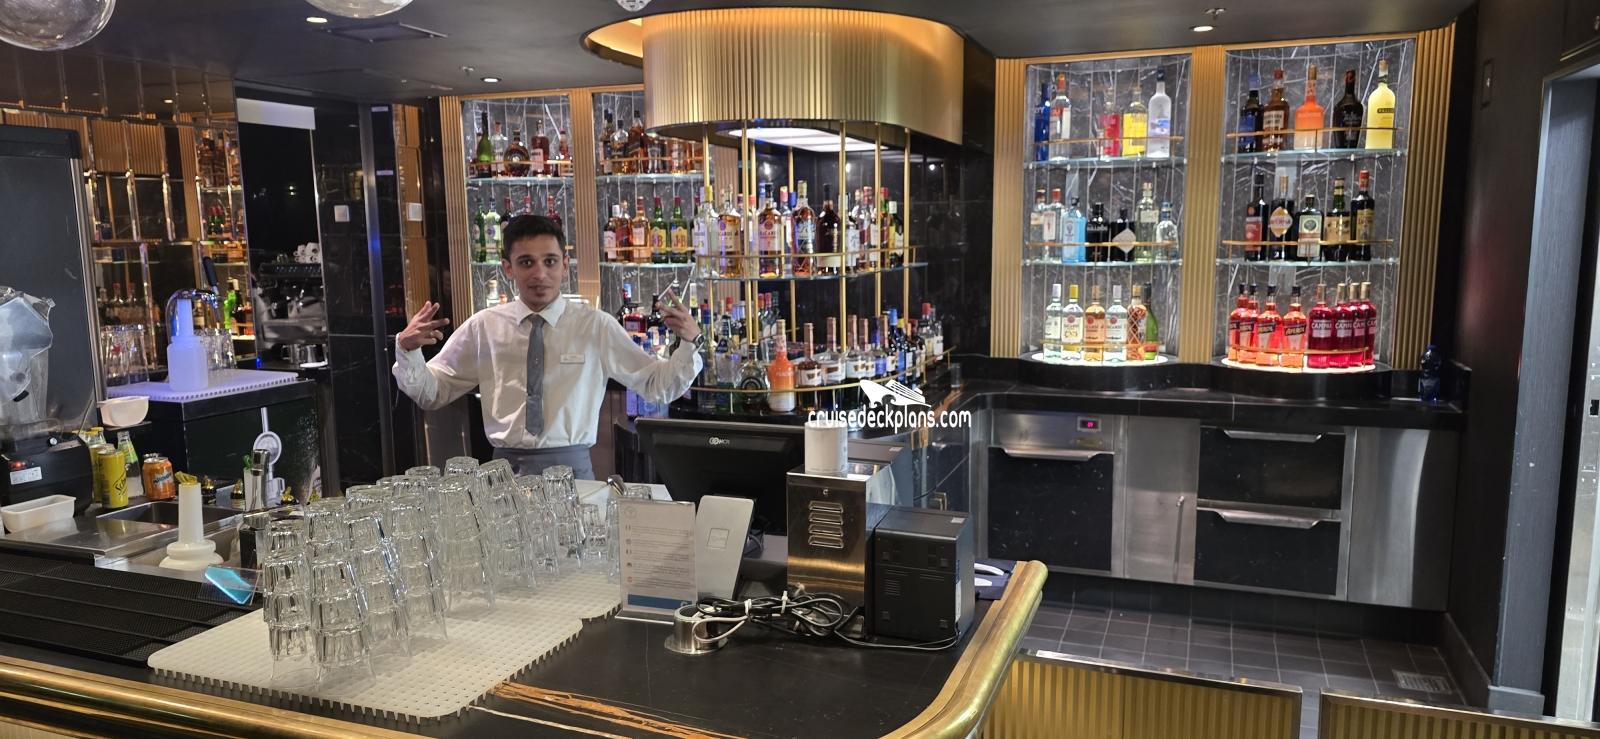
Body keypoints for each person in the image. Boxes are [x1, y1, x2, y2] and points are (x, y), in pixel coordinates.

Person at [392, 214, 702, 479]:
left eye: (550, 261)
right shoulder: (484, 327)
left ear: (565, 265)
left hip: (573, 474)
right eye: (526, 262)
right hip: (503, 476)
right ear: (508, 268)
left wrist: (689, 342)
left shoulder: (595, 326)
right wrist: (407, 350)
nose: (539, 274)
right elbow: (432, 392)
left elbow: (656, 385)